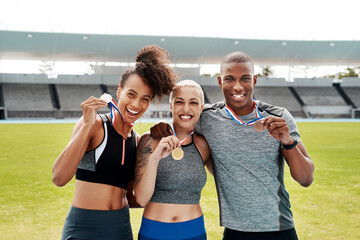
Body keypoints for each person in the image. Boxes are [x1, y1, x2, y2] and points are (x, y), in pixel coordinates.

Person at [151, 51, 314, 240]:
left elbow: (306, 178)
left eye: (245, 79)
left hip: (279, 229)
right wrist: (162, 127)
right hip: (234, 232)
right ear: (220, 82)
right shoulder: (207, 117)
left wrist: (288, 141)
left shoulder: (279, 116)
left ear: (254, 80)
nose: (237, 86)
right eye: (230, 79)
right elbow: (183, 118)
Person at [52, 45, 177, 240]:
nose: (136, 105)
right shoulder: (95, 125)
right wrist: (86, 125)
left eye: (145, 99)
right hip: (84, 228)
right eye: (131, 94)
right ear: (119, 91)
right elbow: (59, 178)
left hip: (121, 229)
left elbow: (133, 198)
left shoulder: (137, 141)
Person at [134, 80, 213, 240]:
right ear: (171, 105)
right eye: (179, 102)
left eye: (193, 103)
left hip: (194, 232)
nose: (185, 109)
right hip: (154, 232)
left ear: (201, 108)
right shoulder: (149, 141)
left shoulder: (203, 145)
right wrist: (155, 157)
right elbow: (141, 199)